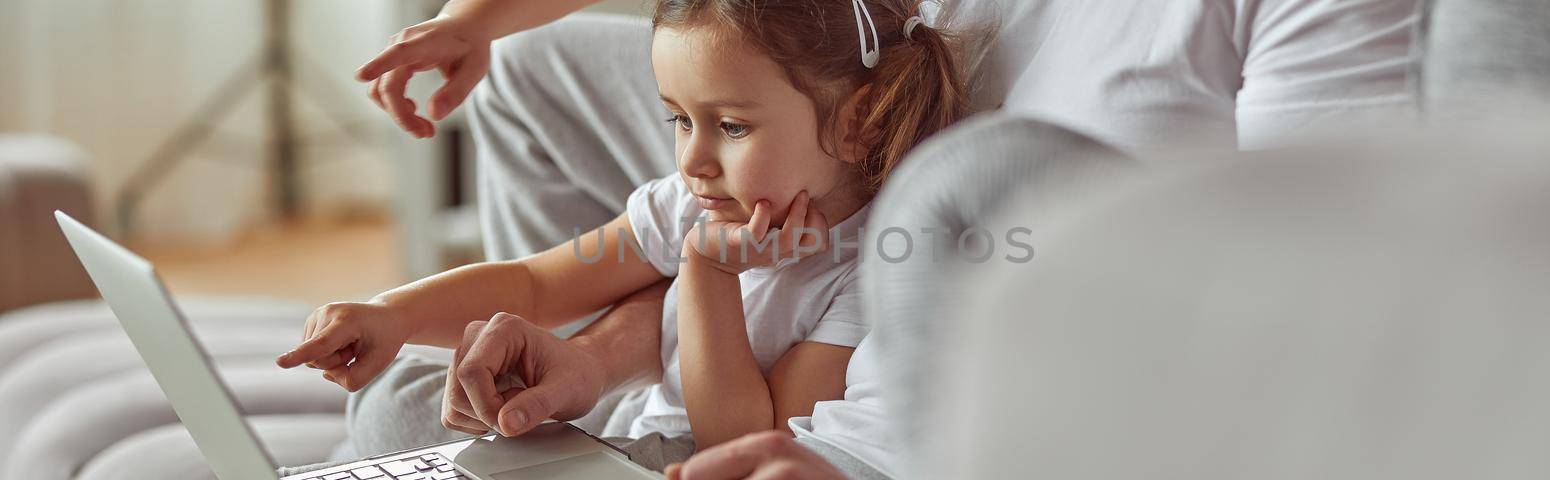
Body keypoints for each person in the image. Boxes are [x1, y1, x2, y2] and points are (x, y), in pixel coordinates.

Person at [346, 0, 1417, 478]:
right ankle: (590, 400)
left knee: (420, 417)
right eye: (684, 130)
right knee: (415, 393)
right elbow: (558, 272)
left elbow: (1315, 294)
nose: (686, 160)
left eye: (706, 133)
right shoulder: (752, 153)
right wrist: (478, 21)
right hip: (813, 153)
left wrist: (706, 292)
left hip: (887, 276)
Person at [278, 0, 973, 471]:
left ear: (862, 123)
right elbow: (537, 284)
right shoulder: (696, 199)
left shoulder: (870, 266)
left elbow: (749, 443)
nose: (692, 161)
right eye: (679, 119)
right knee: (395, 394)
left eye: (731, 126)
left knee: (410, 432)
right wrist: (393, 314)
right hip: (630, 419)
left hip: (677, 461)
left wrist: (707, 272)